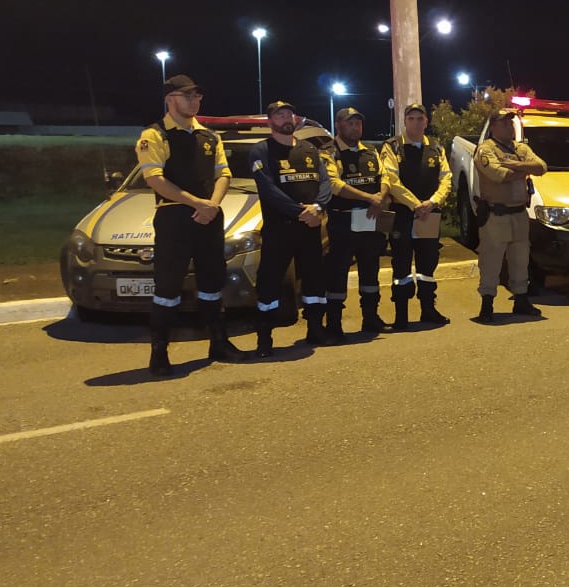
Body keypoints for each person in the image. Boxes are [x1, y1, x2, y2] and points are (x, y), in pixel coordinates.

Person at [135, 74, 247, 376]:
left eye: (197, 96)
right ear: (170, 99)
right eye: (188, 96)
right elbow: (155, 179)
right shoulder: (154, 136)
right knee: (167, 287)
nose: (195, 101)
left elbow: (223, 174)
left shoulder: (209, 137)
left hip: (209, 215)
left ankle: (218, 342)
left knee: (212, 282)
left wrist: (211, 203)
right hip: (174, 218)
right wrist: (197, 204)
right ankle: (159, 352)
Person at [249, 100, 331, 355]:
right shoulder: (261, 151)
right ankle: (265, 339)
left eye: (289, 114)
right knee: (269, 283)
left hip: (310, 228)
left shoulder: (309, 149)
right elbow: (269, 190)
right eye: (280, 114)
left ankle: (315, 329)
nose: (286, 118)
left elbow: (325, 182)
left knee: (315, 282)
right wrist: (301, 212)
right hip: (279, 230)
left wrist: (317, 209)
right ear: (270, 120)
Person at [320, 106, 388, 340]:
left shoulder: (370, 152)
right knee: (337, 273)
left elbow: (384, 178)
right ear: (338, 126)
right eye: (349, 123)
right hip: (342, 221)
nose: (355, 127)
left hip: (370, 220)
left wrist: (380, 197)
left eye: (358, 123)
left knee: (371, 271)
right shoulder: (329, 152)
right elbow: (334, 185)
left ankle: (371, 317)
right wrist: (369, 197)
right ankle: (334, 324)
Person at [383, 101, 453, 327]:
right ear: (404, 121)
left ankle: (428, 310)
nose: (415, 123)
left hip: (429, 216)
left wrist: (431, 203)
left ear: (426, 121)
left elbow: (446, 179)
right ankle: (401, 315)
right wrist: (416, 205)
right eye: (411, 118)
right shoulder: (392, 147)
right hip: (403, 215)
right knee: (401, 265)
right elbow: (391, 181)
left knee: (428, 264)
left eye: (419, 118)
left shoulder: (436, 147)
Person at [474, 108, 548, 321]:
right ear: (494, 127)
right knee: (491, 260)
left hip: (519, 213)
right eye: (505, 124)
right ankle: (487, 303)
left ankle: (521, 300)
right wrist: (526, 169)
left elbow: (541, 167)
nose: (511, 127)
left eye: (511, 123)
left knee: (520, 258)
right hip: (496, 214)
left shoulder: (520, 149)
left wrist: (515, 164)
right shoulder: (485, 150)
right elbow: (499, 175)